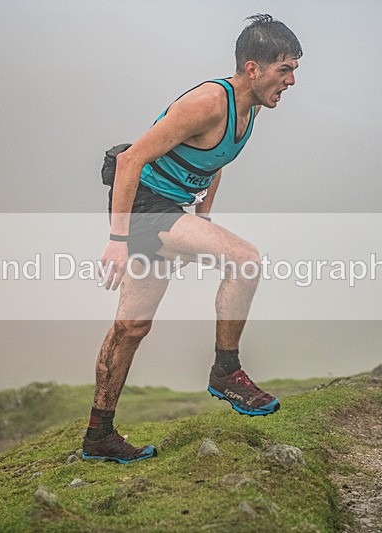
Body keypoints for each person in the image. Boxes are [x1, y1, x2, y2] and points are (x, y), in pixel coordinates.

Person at [82, 14, 302, 463]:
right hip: (141, 206)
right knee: (245, 259)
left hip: (168, 212)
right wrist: (117, 240)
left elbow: (213, 162)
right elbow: (130, 162)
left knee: (131, 327)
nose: (292, 81)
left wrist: (202, 222)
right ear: (253, 68)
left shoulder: (251, 109)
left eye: (295, 69)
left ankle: (98, 436)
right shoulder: (208, 102)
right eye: (285, 69)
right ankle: (226, 372)